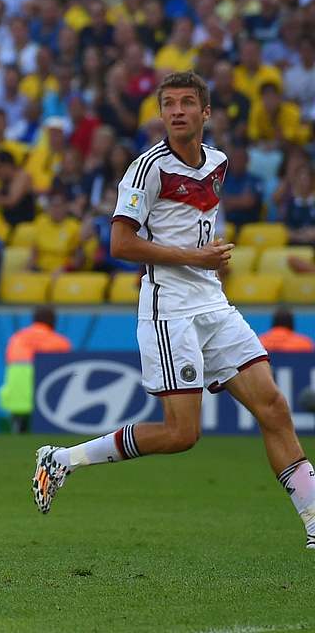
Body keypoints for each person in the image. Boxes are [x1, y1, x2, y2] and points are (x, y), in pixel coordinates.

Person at [32, 72, 315, 550]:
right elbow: (120, 243)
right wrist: (195, 258)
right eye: (169, 104)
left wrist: (203, 262)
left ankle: (312, 521)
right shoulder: (146, 170)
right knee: (182, 434)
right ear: (161, 114)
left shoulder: (218, 163)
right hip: (170, 312)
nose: (178, 111)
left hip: (214, 305)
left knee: (274, 407)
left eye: (187, 103)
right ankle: (62, 459)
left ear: (206, 114)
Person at [0, 306, 72, 433]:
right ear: (53, 321)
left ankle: (18, 424)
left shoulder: (17, 338)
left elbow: (9, 359)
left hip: (16, 383)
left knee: (19, 416)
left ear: (34, 320)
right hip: (45, 383)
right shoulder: (60, 341)